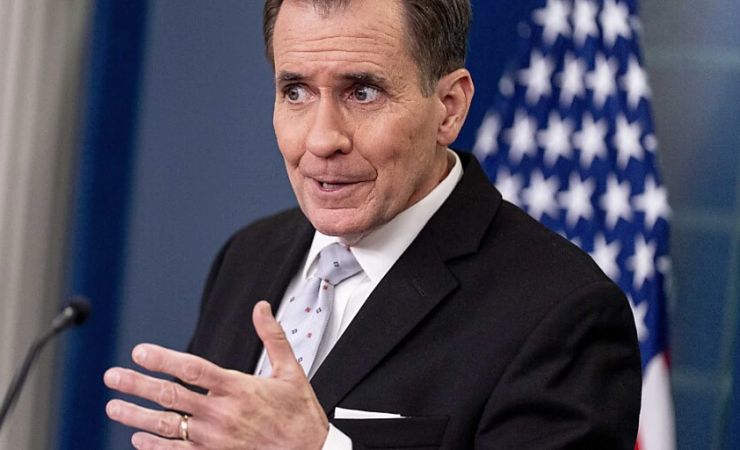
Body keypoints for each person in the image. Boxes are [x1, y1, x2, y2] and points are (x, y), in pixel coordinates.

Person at [103, 0, 641, 448]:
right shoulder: (249, 255)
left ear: (448, 108)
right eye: (296, 91)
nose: (320, 140)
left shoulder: (561, 312)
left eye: (362, 92)